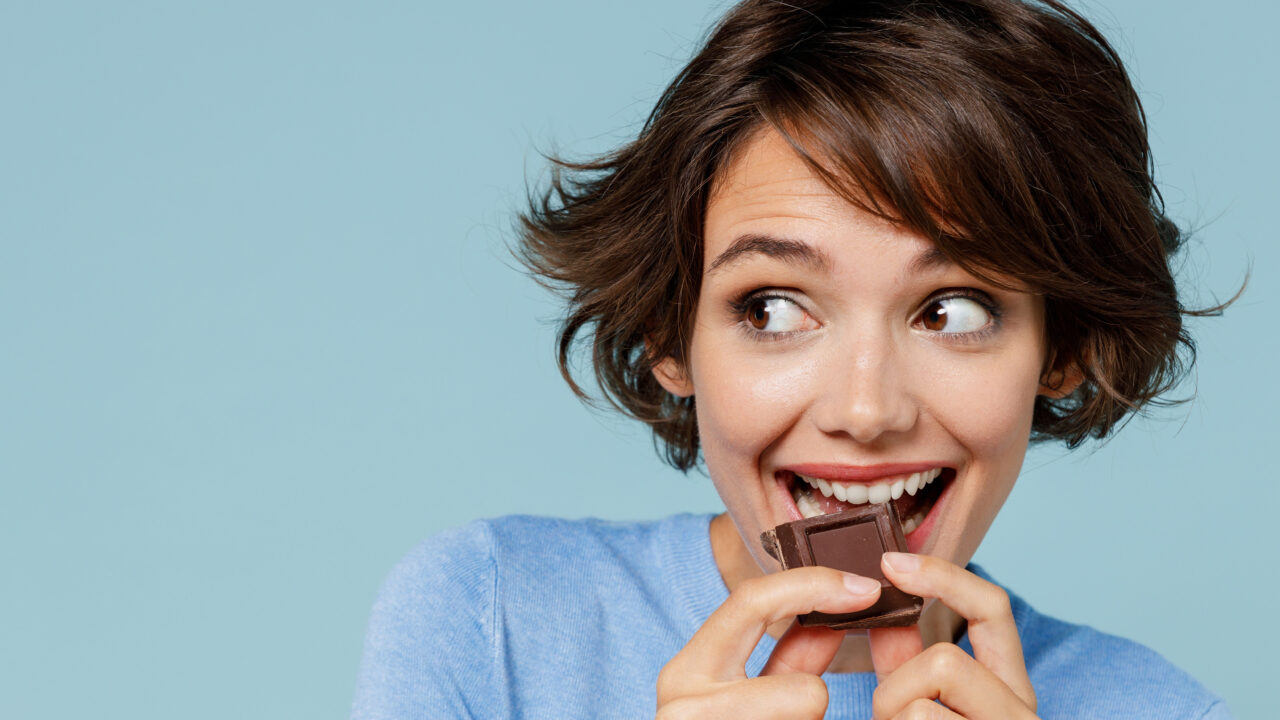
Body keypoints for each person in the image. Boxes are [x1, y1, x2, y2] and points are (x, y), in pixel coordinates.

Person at [352, 0, 1232, 717]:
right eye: (772, 309)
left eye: (952, 310)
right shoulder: (487, 620)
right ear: (669, 334)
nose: (866, 408)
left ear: (1063, 348)